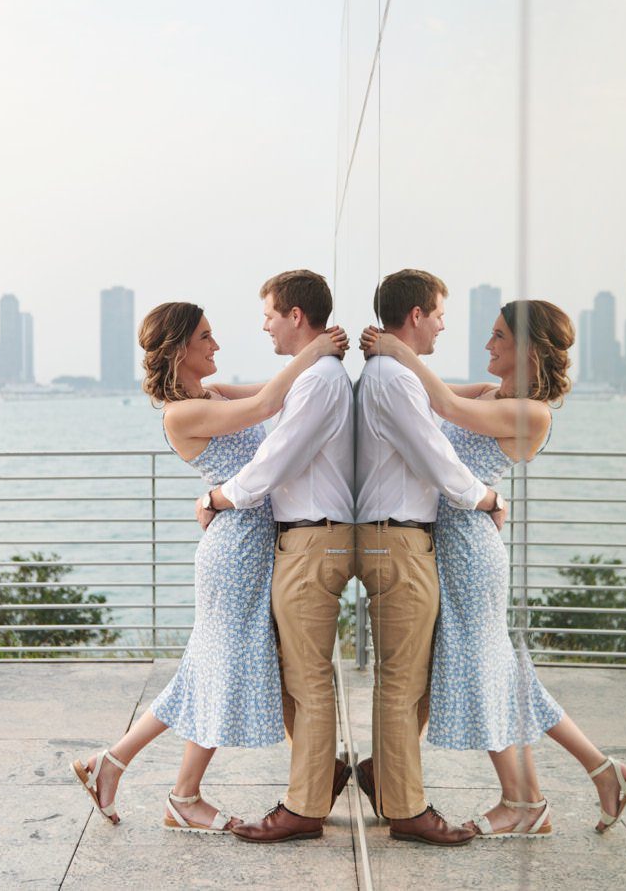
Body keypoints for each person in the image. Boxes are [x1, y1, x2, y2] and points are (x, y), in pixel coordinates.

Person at [359, 299, 626, 838]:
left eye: (498, 337)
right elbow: (426, 395)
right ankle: (597, 774)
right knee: (505, 673)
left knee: (479, 665)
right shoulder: (498, 395)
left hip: (468, 547)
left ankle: (524, 800)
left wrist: (396, 348)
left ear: (526, 349)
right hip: (452, 539)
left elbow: (443, 402)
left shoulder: (531, 413)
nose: (488, 346)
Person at [72, 301, 348, 832]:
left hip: (251, 541)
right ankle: (180, 794)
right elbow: (268, 401)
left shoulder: (211, 395)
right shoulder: (183, 414)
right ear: (179, 350)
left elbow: (283, 394)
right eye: (206, 338)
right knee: (220, 666)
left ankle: (116, 765)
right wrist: (314, 348)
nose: (216, 346)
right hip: (236, 549)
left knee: (208, 668)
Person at [196, 270, 356, 844]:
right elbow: (272, 400)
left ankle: (304, 807)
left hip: (313, 539)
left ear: (295, 315)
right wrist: (224, 394)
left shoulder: (319, 380)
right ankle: (323, 780)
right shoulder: (313, 375)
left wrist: (219, 495)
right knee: (302, 680)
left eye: (268, 314)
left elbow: (276, 462)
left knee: (306, 681)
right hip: (310, 536)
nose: (262, 325)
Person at [353, 269, 505, 847]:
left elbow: (435, 416)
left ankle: (389, 787)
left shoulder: (393, 373)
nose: (444, 323)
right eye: (439, 313)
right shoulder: (393, 376)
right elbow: (435, 454)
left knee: (404, 681)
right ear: (415, 315)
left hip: (396, 534)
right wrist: (485, 496)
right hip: (398, 538)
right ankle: (408, 812)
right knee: (403, 684)